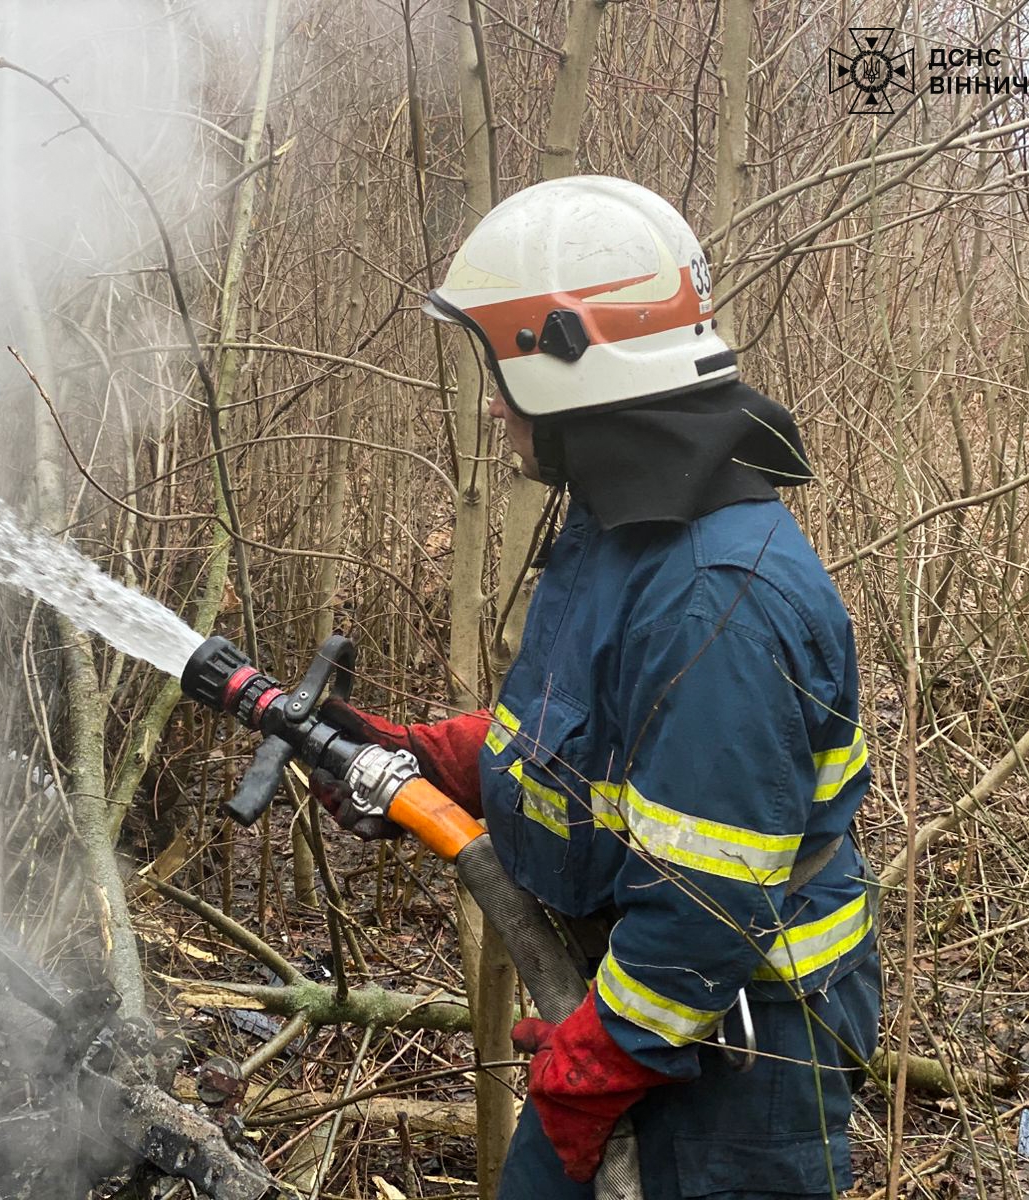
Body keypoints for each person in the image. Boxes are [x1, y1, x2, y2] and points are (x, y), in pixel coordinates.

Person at [313, 176, 880, 1200]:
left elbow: (709, 895)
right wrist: (451, 759)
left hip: (734, 1054)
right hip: (648, 1014)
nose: (490, 399)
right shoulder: (625, 521)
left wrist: (596, 1066)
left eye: (502, 367)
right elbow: (603, 731)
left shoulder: (716, 599)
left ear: (575, 363)